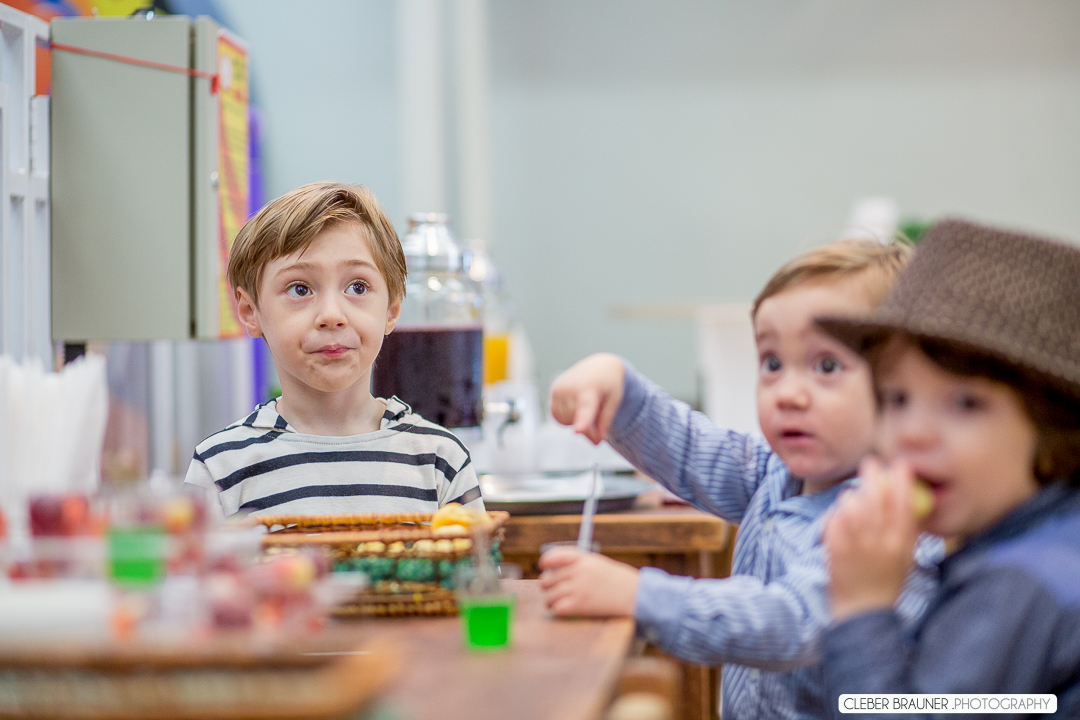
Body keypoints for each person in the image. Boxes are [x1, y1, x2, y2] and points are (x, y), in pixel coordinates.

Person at [541, 239, 942, 719]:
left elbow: (791, 620)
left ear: (904, 388)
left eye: (826, 366)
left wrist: (639, 595)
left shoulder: (892, 517)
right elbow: (692, 448)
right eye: (772, 363)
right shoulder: (777, 473)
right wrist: (617, 387)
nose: (789, 393)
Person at [819, 219, 1080, 717]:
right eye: (896, 398)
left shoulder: (1020, 585)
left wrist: (862, 606)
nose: (912, 433)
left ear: (1058, 428)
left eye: (964, 403)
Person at [184, 182, 482, 517]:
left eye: (357, 286)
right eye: (300, 289)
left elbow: (478, 570)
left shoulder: (443, 462)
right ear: (251, 312)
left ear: (392, 310)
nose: (331, 316)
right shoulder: (218, 469)